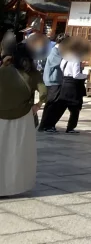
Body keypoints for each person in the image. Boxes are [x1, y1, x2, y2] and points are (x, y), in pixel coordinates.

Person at [0, 38, 48, 196]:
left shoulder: (4, 70)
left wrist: (3, 64)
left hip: (1, 116)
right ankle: (12, 186)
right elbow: (44, 93)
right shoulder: (34, 74)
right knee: (17, 152)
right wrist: (37, 105)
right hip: (23, 117)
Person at [41, 37, 90, 135]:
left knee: (61, 106)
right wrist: (86, 75)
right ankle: (70, 127)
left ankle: (50, 124)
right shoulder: (75, 59)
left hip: (64, 82)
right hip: (72, 84)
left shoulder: (65, 58)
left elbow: (61, 67)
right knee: (75, 107)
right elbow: (76, 75)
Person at [37, 35, 69, 132]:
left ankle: (48, 125)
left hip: (55, 80)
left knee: (53, 104)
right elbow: (61, 61)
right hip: (52, 80)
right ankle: (45, 125)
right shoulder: (55, 51)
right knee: (52, 103)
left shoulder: (58, 51)